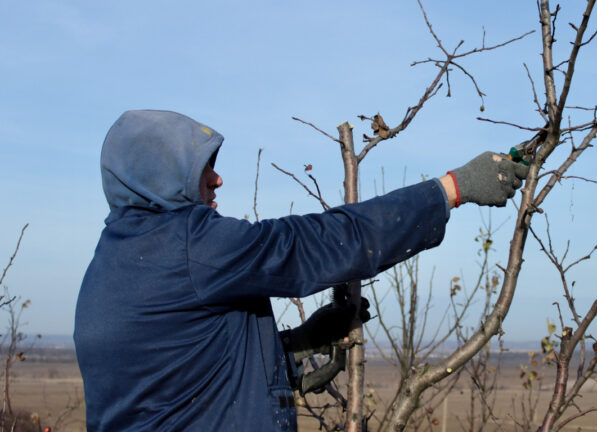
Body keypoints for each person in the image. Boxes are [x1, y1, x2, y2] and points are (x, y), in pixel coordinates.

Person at [74, 110, 529, 431]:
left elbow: (180, 385)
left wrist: (293, 348)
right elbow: (318, 244)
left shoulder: (110, 260)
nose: (217, 179)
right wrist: (449, 190)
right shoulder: (190, 245)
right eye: (204, 167)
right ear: (161, 174)